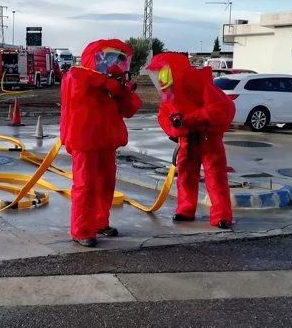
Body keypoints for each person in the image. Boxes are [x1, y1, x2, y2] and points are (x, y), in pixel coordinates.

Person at [60, 39, 141, 247]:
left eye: (120, 61)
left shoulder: (113, 85)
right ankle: (81, 230)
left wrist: (123, 91)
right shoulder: (77, 77)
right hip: (85, 141)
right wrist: (107, 82)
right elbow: (78, 85)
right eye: (111, 60)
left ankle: (99, 222)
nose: (116, 65)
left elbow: (129, 110)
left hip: (106, 141)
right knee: (85, 185)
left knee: (106, 184)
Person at [146, 52, 235, 229]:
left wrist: (191, 119)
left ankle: (221, 215)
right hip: (187, 138)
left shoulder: (202, 86)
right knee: (186, 175)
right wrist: (175, 127)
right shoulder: (171, 95)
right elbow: (164, 116)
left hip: (209, 136)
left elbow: (223, 109)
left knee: (215, 175)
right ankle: (186, 209)